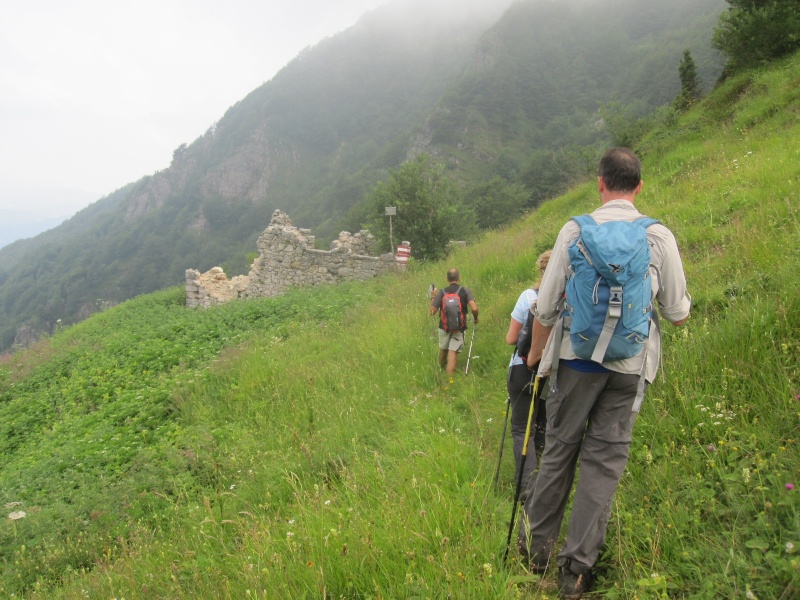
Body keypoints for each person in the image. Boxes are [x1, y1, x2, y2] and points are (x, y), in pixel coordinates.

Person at [522, 148, 691, 599]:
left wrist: (536, 357)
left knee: (559, 451)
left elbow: (546, 305)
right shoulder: (658, 236)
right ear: (639, 187)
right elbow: (676, 313)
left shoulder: (574, 229)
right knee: (603, 464)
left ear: (600, 182)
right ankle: (575, 571)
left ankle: (536, 551)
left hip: (576, 361)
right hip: (630, 369)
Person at [504, 250, 551, 495]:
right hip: (555, 373)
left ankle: (527, 487)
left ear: (541, 270)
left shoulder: (529, 297)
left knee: (523, 428)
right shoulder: (572, 299)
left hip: (524, 369)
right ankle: (543, 480)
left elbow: (511, 338)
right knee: (544, 424)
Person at [429, 268, 479, 377]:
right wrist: (475, 318)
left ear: (447, 279)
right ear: (459, 278)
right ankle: (449, 380)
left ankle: (441, 371)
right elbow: (474, 308)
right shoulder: (465, 291)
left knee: (443, 350)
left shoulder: (442, 292)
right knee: (453, 352)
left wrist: (433, 296)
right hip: (459, 328)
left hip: (444, 327)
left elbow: (432, 312)